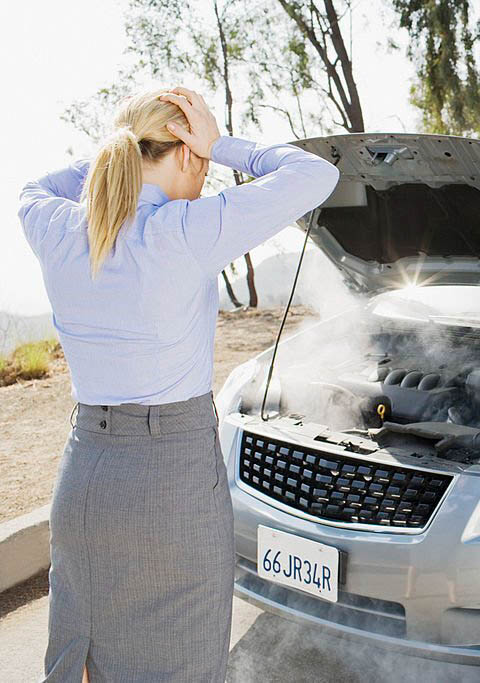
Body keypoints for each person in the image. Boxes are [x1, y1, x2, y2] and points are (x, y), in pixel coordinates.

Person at [18, 87, 339, 682]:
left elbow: (31, 190)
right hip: (172, 479)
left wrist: (117, 152)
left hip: (86, 474)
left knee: (83, 658)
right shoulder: (185, 229)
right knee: (182, 661)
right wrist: (222, 143)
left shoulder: (58, 228)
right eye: (204, 159)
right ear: (187, 153)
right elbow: (314, 174)